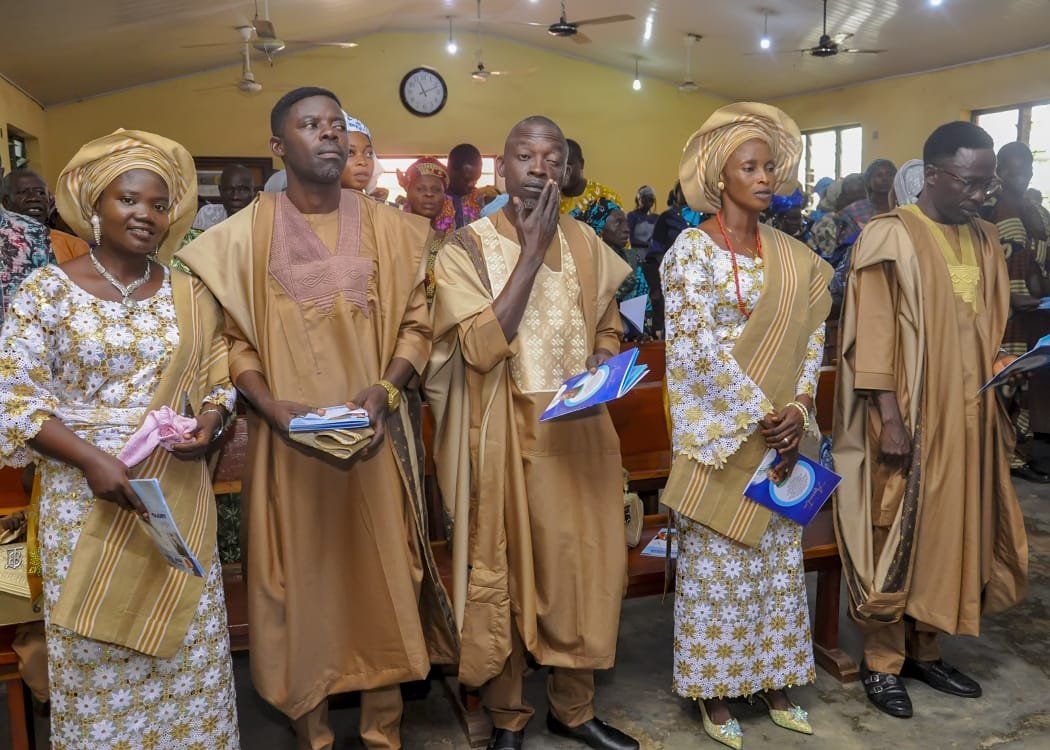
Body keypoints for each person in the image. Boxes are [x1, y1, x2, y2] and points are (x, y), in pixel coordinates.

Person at [176, 86, 456, 750]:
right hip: (288, 447)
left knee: (386, 581)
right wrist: (267, 404)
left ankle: (384, 735)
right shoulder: (241, 238)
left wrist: (385, 390)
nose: (328, 134)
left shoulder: (394, 229)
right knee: (299, 590)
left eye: (335, 124)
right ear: (279, 145)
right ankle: (314, 736)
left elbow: (418, 326)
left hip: (375, 442)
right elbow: (229, 341)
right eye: (310, 124)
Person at [0, 129, 240, 748]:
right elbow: (14, 398)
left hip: (175, 496)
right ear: (95, 205)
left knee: (187, 649)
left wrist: (211, 421)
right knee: (97, 656)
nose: (145, 215)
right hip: (85, 499)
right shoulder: (46, 291)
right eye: (128, 199)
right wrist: (91, 461)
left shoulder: (191, 294)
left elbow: (219, 376)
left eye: (158, 205)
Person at [427, 115, 638, 750]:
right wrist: (529, 251)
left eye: (552, 158)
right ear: (502, 168)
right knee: (507, 576)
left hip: (579, 432)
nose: (540, 169)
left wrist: (604, 355)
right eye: (526, 156)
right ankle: (509, 717)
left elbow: (608, 323)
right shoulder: (465, 248)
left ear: (566, 170)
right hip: (505, 435)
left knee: (584, 572)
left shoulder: (586, 243)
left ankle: (573, 709)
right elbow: (480, 348)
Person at [834, 121, 1029, 720]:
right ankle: (882, 660)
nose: (982, 193)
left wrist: (1004, 362)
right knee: (896, 532)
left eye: (988, 182)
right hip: (909, 416)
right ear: (935, 175)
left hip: (970, 418)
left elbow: (981, 323)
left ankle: (926, 649)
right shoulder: (890, 236)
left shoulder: (985, 236)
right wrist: (890, 419)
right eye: (970, 182)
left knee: (953, 532)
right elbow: (871, 337)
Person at [661, 102, 831, 749]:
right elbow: (694, 351)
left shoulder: (793, 256)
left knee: (775, 568)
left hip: (781, 437)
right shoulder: (691, 253)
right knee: (719, 575)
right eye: (749, 167)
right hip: (722, 437)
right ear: (719, 175)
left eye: (769, 167)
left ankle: (774, 681)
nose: (764, 178)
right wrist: (761, 415)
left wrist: (800, 408)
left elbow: (811, 334)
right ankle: (715, 692)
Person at [983, 142, 1049, 482]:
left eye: (1025, 167)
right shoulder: (986, 208)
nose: (1020, 174)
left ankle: (1020, 452)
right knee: (1003, 382)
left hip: (1035, 315)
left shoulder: (1038, 212)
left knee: (1028, 383)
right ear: (999, 169)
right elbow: (976, 265)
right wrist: (1008, 296)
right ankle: (998, 455)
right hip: (1001, 315)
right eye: (1011, 167)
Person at [2, 168, 87, 263]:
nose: (33, 198)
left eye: (40, 193)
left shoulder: (74, 245)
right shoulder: (3, 244)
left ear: (49, 200)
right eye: (23, 192)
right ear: (6, 202)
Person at [398, 156, 451, 307]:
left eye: (436, 190)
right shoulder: (394, 237)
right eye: (420, 189)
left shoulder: (450, 242)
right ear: (408, 192)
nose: (429, 194)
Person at [602, 207, 653, 339]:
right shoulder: (588, 262)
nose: (626, 229)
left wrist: (643, 331)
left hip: (631, 337)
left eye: (626, 223)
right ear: (599, 225)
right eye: (618, 222)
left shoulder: (632, 259)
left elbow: (644, 299)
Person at [560, 138, 624, 235]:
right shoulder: (547, 199)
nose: (563, 171)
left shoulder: (607, 198)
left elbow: (620, 241)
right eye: (557, 165)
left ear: (581, 164)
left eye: (568, 164)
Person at [190, 164, 255, 232]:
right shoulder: (207, 215)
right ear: (220, 191)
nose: (235, 197)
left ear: (253, 192)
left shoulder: (261, 220)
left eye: (243, 190)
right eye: (228, 190)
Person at [442, 143, 485, 230]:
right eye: (467, 180)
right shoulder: (436, 198)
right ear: (450, 171)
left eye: (476, 179)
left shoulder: (479, 198)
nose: (472, 184)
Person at [627, 185, 658, 250]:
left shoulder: (656, 218)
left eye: (651, 200)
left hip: (652, 253)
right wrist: (648, 244)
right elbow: (628, 238)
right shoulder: (632, 216)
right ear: (639, 199)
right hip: (636, 252)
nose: (649, 203)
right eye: (646, 199)